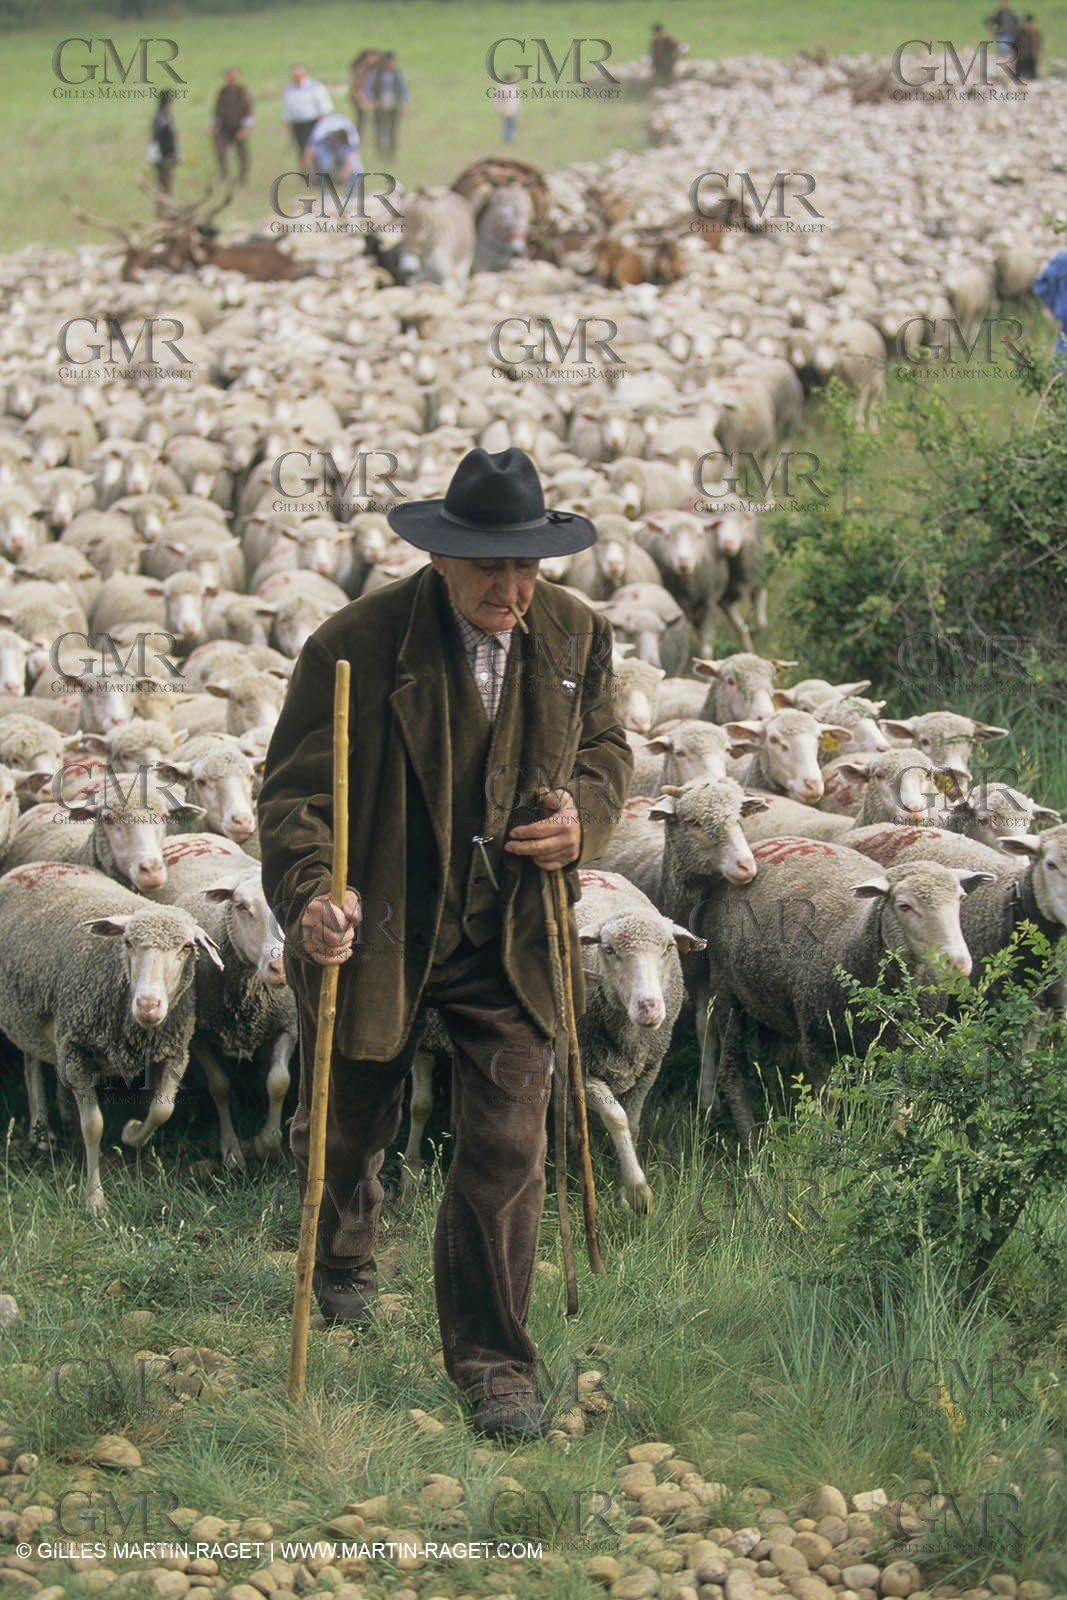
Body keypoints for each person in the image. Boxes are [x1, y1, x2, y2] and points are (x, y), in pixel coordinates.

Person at [258, 448, 632, 1441]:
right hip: (379, 925)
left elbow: (604, 751)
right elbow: (294, 798)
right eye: (488, 568)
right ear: (439, 558)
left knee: (508, 1144)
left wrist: (581, 820)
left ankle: (493, 1362)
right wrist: (310, 895)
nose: (510, 589)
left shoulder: (574, 636)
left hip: (507, 932)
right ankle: (340, 1253)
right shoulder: (353, 646)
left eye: (525, 567)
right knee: (345, 1121)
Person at [303, 112, 363, 201]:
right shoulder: (321, 133)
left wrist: (342, 176)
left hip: (342, 143)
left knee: (357, 171)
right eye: (337, 139)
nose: (338, 142)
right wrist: (310, 174)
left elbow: (350, 160)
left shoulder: (351, 136)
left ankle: (351, 198)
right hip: (325, 144)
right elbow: (308, 154)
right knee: (326, 164)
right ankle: (326, 195)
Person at [212, 67, 254, 187]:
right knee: (220, 151)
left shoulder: (243, 92)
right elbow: (217, 110)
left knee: (242, 155)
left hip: (239, 127)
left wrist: (245, 128)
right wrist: (214, 126)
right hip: (224, 128)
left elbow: (249, 111)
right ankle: (224, 174)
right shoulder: (222, 92)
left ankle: (242, 178)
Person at [283, 63, 333, 156]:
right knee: (303, 152)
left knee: (314, 151)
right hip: (297, 125)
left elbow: (325, 108)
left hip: (313, 123)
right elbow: (287, 111)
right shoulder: (289, 88)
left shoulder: (314, 86)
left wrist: (323, 126)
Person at [371, 50, 409, 157]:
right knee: (379, 128)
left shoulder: (397, 73)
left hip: (394, 104)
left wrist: (405, 105)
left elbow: (403, 89)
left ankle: (391, 152)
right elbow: (372, 88)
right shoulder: (377, 74)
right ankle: (379, 151)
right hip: (380, 104)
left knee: (393, 129)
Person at [149, 90, 179, 199]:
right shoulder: (161, 117)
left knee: (166, 187)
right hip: (164, 158)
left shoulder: (165, 115)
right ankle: (164, 212)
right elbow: (157, 138)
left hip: (166, 156)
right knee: (165, 187)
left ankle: (166, 210)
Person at [349, 49, 380, 139]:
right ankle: (357, 137)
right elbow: (357, 86)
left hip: (365, 97)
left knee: (363, 119)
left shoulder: (371, 68)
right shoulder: (361, 68)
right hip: (359, 97)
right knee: (362, 120)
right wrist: (362, 99)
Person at [1014, 13, 1041, 77]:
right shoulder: (1020, 33)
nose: (1029, 25)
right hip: (1022, 59)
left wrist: (1038, 56)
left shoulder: (1036, 34)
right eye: (1027, 23)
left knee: (1033, 76)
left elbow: (1039, 47)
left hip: (1032, 59)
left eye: (1031, 23)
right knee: (1020, 75)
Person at [496, 73, 521, 143]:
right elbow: (504, 99)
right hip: (508, 109)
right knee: (510, 124)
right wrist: (504, 109)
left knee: (511, 124)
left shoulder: (513, 87)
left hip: (513, 108)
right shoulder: (505, 88)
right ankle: (510, 139)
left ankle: (509, 138)